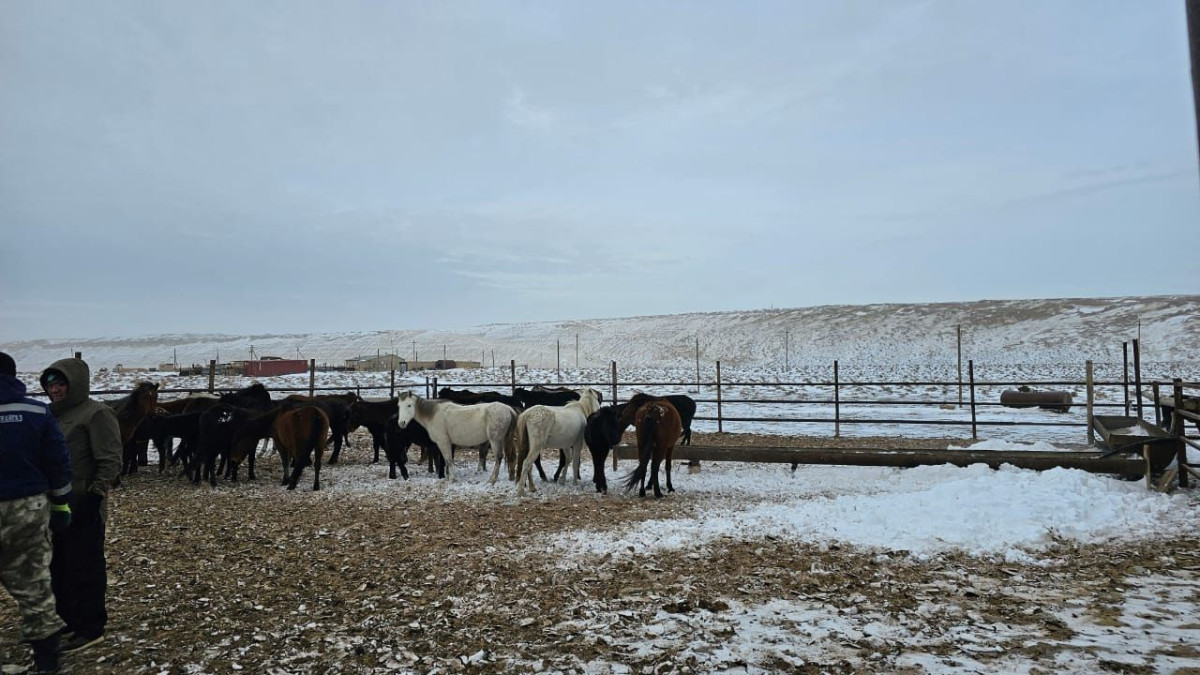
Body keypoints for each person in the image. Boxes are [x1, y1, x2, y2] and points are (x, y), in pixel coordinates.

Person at [39, 357, 121, 655]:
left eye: (61, 383)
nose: (55, 390)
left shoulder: (96, 413)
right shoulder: (50, 415)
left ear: (75, 384)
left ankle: (90, 627)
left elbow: (111, 459)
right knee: (58, 567)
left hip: (84, 504)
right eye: (50, 384)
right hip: (53, 505)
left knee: (84, 567)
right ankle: (68, 620)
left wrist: (95, 496)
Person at [0, 352, 73, 673]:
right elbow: (57, 462)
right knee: (34, 583)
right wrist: (61, 505)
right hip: (27, 508)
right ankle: (46, 661)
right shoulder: (36, 412)